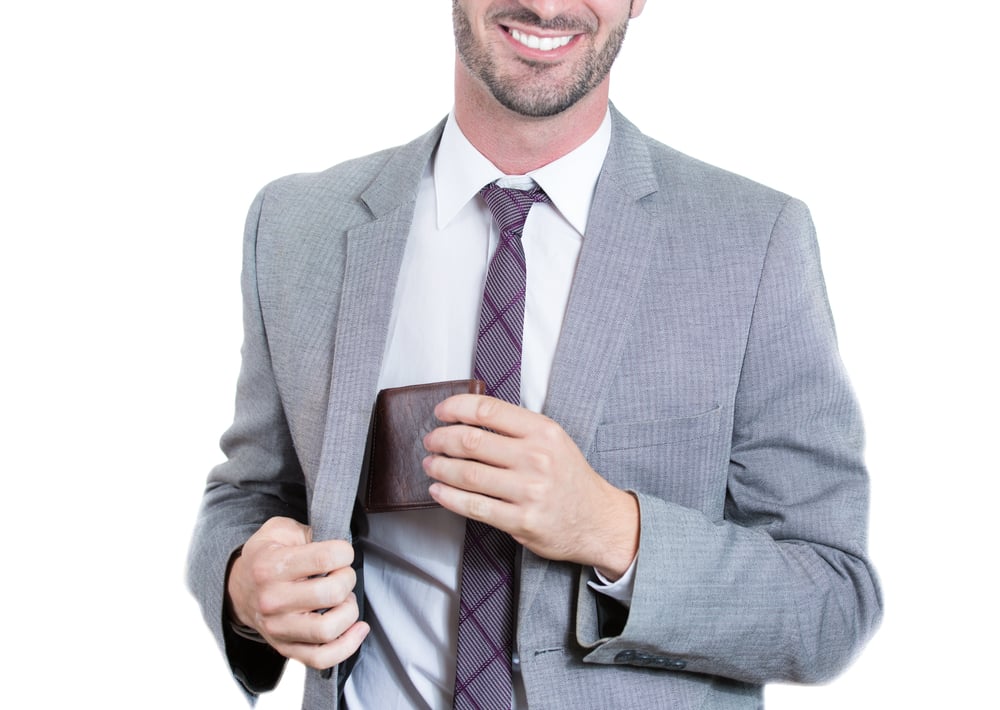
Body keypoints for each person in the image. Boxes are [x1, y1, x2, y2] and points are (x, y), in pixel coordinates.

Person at [187, 1, 882, 708]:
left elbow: (831, 599)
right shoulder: (298, 226)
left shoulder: (752, 243)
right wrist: (245, 580)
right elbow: (251, 493)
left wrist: (613, 529)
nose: (548, 5)